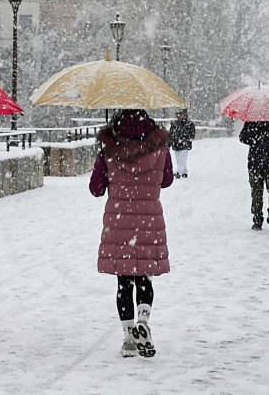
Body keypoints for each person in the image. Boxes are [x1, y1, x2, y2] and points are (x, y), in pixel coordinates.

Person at [89, 109, 173, 358]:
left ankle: (128, 338)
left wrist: (105, 165)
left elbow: (96, 188)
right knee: (144, 278)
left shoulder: (108, 150)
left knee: (124, 282)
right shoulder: (160, 149)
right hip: (149, 222)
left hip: (119, 221)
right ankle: (143, 320)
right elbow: (166, 181)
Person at [168, 109, 196, 178]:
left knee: (182, 158)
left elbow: (192, 134)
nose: (180, 116)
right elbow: (171, 134)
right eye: (179, 114)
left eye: (182, 114)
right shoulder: (174, 124)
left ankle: (179, 172)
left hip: (185, 144)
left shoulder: (189, 124)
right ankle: (184, 171)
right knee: (178, 159)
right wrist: (169, 143)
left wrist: (184, 138)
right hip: (176, 145)